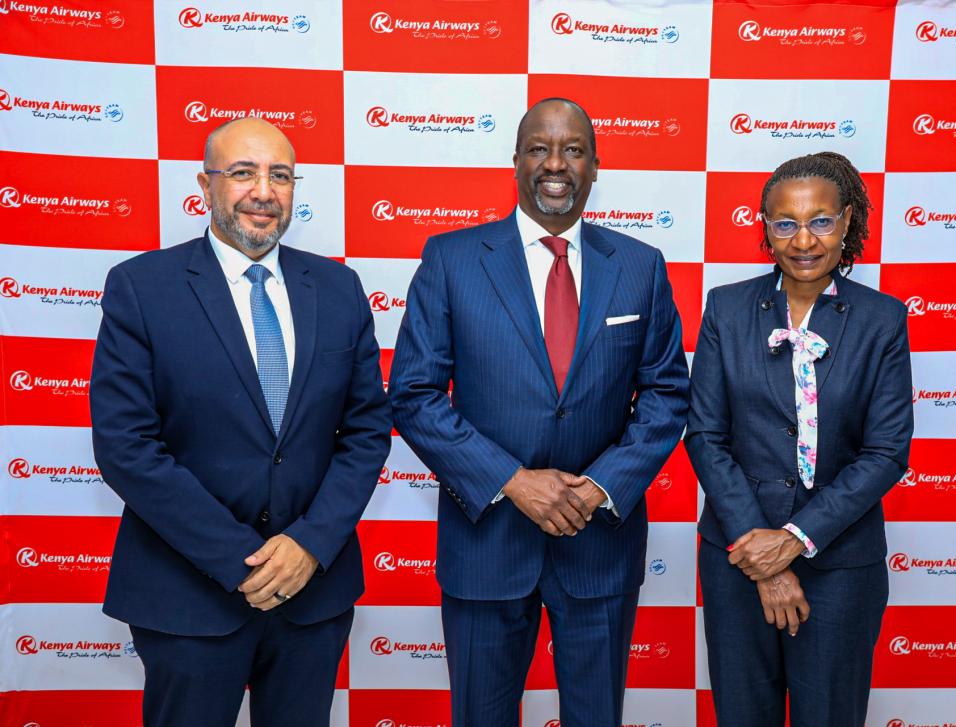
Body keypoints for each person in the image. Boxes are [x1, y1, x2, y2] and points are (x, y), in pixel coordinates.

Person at [388, 98, 689, 726]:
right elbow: (414, 393)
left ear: (596, 166)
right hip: (487, 543)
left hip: (598, 539)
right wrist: (513, 481)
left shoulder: (639, 266)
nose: (557, 164)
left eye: (574, 149)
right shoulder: (451, 259)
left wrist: (602, 486)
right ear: (517, 160)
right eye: (540, 149)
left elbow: (665, 394)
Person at [89, 117, 391, 727]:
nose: (263, 190)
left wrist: (308, 544)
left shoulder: (337, 287)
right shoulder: (142, 287)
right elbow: (126, 446)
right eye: (243, 172)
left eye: (280, 175)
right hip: (187, 596)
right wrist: (242, 561)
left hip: (312, 594)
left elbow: (365, 433)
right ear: (205, 184)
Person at [686, 152, 913, 727]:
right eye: (785, 222)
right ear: (764, 227)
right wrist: (760, 551)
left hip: (840, 564)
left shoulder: (881, 320)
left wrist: (794, 539)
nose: (803, 240)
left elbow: (886, 452)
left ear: (848, 223)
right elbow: (706, 435)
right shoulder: (728, 308)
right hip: (738, 555)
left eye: (821, 221)